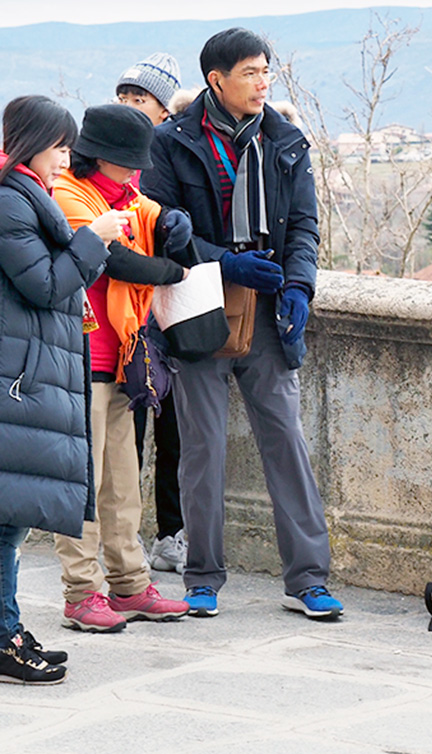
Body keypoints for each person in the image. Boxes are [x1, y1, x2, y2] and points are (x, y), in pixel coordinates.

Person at [141, 28, 342, 620]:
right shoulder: (169, 144)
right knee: (201, 448)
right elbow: (159, 227)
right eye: (251, 73)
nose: (262, 83)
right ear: (216, 80)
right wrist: (221, 259)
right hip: (198, 304)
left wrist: (300, 286)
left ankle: (308, 579)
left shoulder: (285, 141)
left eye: (267, 72)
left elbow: (304, 226)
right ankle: (202, 578)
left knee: (287, 442)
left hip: (271, 310)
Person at [52, 104, 192, 632]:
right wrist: (172, 270)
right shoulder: (69, 193)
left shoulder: (127, 195)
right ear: (104, 157)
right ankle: (81, 593)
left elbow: (156, 218)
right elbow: (112, 261)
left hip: (122, 356)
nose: (138, 170)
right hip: (81, 355)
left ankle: (130, 583)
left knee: (121, 482)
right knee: (83, 483)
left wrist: (176, 223)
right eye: (130, 160)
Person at [0, 96, 123, 682]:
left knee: (10, 520)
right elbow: (47, 285)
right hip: (13, 386)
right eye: (60, 147)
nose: (67, 158)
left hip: (20, 382)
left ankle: (7, 629)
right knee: (4, 521)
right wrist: (93, 238)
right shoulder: (8, 201)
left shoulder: (24, 196)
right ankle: (3, 638)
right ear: (32, 145)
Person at [117, 52, 189, 574]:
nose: (128, 106)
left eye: (139, 99)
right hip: (127, 316)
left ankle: (173, 533)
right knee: (127, 435)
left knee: (175, 433)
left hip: (170, 315)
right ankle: (129, 539)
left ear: (163, 109)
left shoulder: (172, 157)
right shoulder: (108, 165)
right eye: (123, 97)